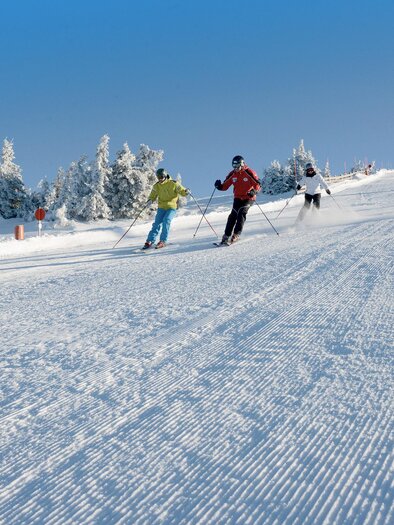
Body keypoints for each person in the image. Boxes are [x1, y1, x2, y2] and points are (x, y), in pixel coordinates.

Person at [214, 155, 261, 244]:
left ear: (242, 164)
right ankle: (226, 236)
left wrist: (254, 191)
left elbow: (258, 184)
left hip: (248, 197)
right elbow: (225, 186)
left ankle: (236, 234)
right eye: (233, 166)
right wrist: (219, 186)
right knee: (233, 215)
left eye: (237, 166)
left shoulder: (249, 172)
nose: (235, 168)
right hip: (238, 197)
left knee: (241, 213)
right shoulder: (232, 174)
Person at [143, 168, 189, 249]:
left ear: (165, 175)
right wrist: (150, 200)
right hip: (161, 207)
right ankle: (150, 241)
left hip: (172, 207)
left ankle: (162, 241)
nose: (160, 179)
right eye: (158, 177)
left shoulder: (173, 184)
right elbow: (152, 195)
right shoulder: (156, 186)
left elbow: (182, 191)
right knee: (156, 224)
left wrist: (186, 191)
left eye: (161, 177)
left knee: (166, 221)